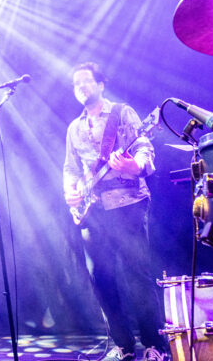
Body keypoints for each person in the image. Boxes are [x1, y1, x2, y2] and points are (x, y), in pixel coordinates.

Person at [62, 62, 170, 361]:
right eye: (75, 84)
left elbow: (144, 146)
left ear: (100, 84)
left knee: (137, 277)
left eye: (86, 81)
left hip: (128, 204)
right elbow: (71, 168)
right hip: (92, 211)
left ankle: (154, 346)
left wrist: (136, 166)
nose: (80, 87)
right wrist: (70, 192)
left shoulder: (123, 113)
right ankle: (123, 345)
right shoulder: (74, 128)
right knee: (101, 279)